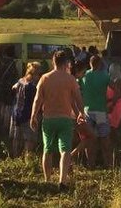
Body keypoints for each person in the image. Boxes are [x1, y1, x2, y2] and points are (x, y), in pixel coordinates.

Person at [30, 48, 84, 190]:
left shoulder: (45, 78)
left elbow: (37, 99)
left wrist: (33, 115)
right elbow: (78, 98)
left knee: (47, 149)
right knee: (65, 150)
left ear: (53, 62)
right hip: (65, 119)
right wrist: (81, 113)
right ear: (66, 63)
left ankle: (47, 180)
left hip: (48, 118)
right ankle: (63, 181)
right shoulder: (70, 79)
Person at [80, 54, 113, 168]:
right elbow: (115, 88)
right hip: (100, 110)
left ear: (90, 63)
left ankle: (90, 163)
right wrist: (112, 101)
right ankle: (108, 163)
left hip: (87, 111)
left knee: (89, 138)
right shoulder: (105, 76)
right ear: (100, 64)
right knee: (104, 137)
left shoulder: (84, 76)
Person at [10, 62, 41, 157]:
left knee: (16, 141)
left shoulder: (21, 81)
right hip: (28, 116)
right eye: (39, 74)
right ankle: (27, 164)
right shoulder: (33, 87)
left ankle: (15, 162)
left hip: (17, 115)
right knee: (29, 142)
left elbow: (13, 87)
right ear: (33, 74)